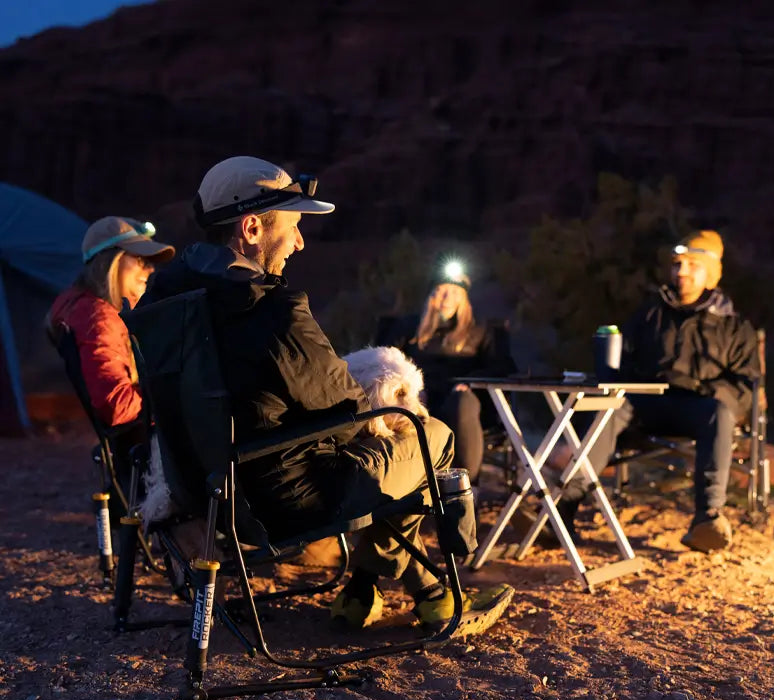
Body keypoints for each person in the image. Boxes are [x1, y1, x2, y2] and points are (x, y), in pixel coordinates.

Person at [138, 156, 510, 631]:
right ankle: (429, 593)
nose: (299, 242)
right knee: (430, 434)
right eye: (293, 226)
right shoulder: (271, 311)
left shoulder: (164, 304)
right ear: (252, 228)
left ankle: (370, 590)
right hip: (295, 499)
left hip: (209, 492)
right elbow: (348, 407)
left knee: (392, 451)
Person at [556, 230, 759, 553]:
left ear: (711, 272)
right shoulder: (652, 313)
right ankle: (561, 508)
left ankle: (708, 517)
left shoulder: (733, 326)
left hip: (698, 407)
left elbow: (746, 384)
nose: (681, 273)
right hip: (647, 404)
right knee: (609, 406)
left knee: (720, 412)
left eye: (692, 265)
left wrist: (716, 394)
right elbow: (625, 361)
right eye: (678, 265)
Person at [376, 259, 517, 486]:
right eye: (441, 291)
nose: (446, 298)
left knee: (461, 401)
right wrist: (408, 390)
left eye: (454, 292)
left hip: (463, 401)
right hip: (420, 398)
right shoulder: (408, 327)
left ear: (464, 297)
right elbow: (386, 358)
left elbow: (502, 366)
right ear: (431, 295)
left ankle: (465, 488)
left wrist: (470, 383)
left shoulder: (481, 330)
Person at [48, 215, 175, 437]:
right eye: (141, 260)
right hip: (143, 444)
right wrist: (175, 401)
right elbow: (116, 405)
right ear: (110, 264)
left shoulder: (91, 310)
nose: (150, 270)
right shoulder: (98, 318)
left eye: (152, 263)